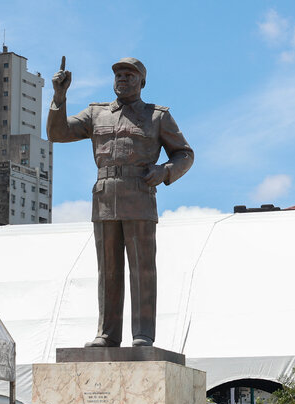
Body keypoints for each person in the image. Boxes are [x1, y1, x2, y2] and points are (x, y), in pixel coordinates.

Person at [47, 56, 194, 348]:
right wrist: (59, 96)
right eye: (118, 75)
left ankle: (142, 334)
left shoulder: (157, 117)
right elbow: (57, 133)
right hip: (105, 198)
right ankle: (107, 333)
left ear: (142, 81)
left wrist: (165, 171)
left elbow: (185, 154)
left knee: (142, 270)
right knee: (108, 271)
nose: (122, 79)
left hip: (139, 195)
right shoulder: (96, 114)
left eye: (129, 74)